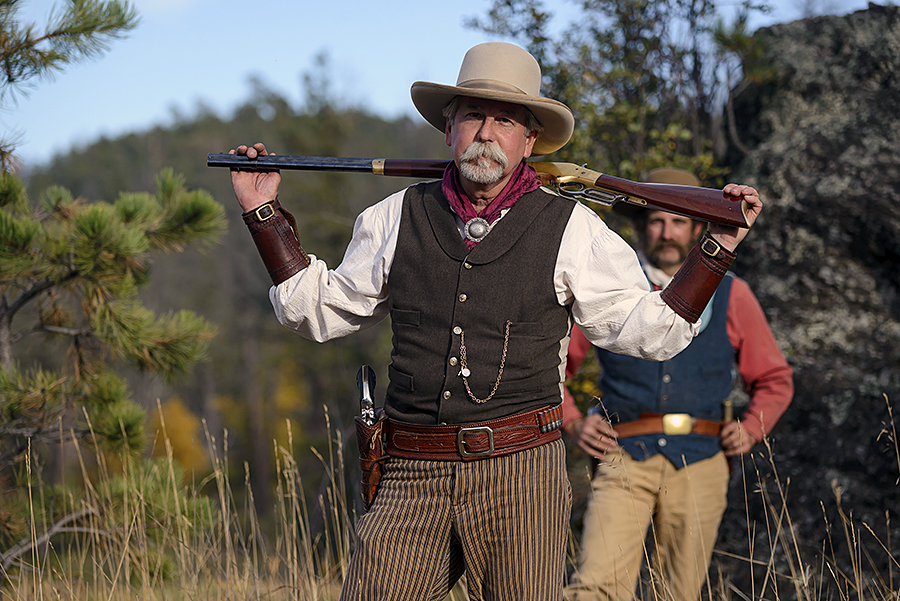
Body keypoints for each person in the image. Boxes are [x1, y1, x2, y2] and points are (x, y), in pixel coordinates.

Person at [226, 42, 764, 601]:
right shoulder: (393, 217)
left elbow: (651, 332)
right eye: (472, 116)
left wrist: (716, 249)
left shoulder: (573, 228)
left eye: (504, 120)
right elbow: (315, 311)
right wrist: (263, 214)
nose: (485, 132)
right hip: (411, 470)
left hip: (523, 474)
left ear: (528, 141)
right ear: (449, 130)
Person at [562, 169, 793, 601]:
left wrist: (751, 429)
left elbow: (774, 378)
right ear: (641, 226)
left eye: (678, 220)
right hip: (622, 456)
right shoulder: (610, 291)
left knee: (679, 593)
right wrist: (573, 422)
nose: (666, 232)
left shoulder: (732, 294)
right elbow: (552, 368)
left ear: (696, 228)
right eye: (656, 220)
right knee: (594, 588)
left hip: (702, 460)